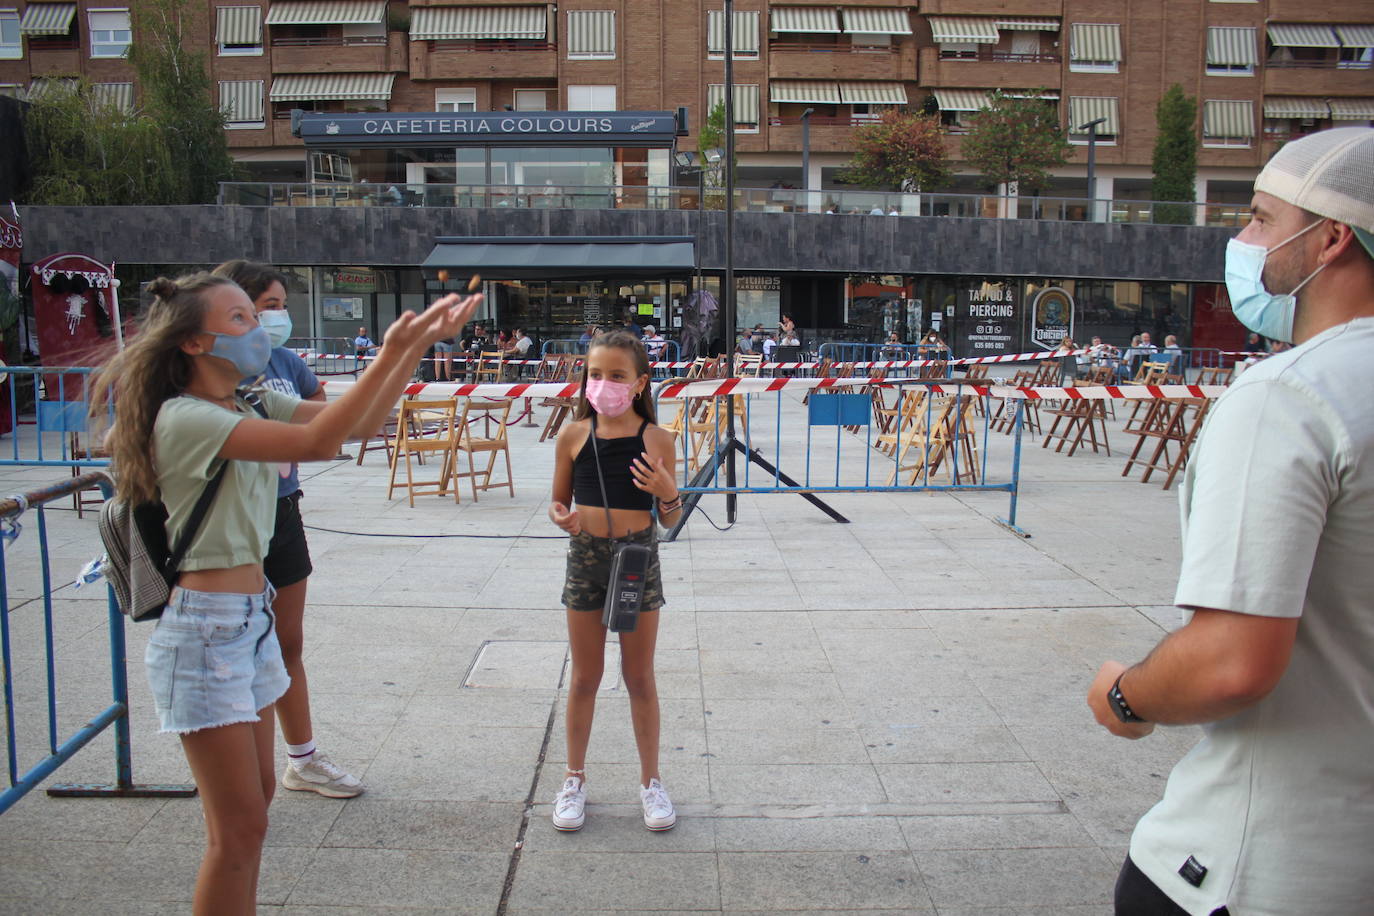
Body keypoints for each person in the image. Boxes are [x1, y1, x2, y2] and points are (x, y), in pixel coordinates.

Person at [89, 273, 478, 915]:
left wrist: (413, 348)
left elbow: (362, 422)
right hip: (203, 631)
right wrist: (392, 349)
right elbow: (319, 442)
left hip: (250, 621)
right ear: (192, 341)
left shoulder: (248, 402)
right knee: (236, 833)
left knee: (258, 809)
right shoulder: (185, 419)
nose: (260, 328)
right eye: (241, 318)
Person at [1087, 126, 1374, 916]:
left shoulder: (1291, 397)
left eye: (1259, 217)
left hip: (1265, 860)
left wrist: (1124, 697)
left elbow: (1230, 663)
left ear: (1332, 237)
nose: (1241, 241)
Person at [211, 260, 364, 799]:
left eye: (280, 305)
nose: (275, 317)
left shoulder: (279, 367)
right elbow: (311, 436)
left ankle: (298, 760)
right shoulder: (204, 390)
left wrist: (401, 354)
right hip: (227, 527)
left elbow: (327, 426)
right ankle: (240, 776)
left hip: (281, 508)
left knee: (284, 642)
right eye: (264, 306)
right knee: (242, 649)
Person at [546, 329, 683, 833]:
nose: (603, 384)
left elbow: (670, 518)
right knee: (584, 676)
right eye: (595, 374)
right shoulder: (573, 435)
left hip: (637, 558)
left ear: (640, 382)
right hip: (587, 557)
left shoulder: (657, 438)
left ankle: (651, 782)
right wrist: (562, 516)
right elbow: (559, 501)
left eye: (616, 376)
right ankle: (573, 778)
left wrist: (668, 490)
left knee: (639, 676)